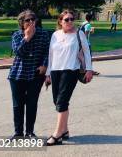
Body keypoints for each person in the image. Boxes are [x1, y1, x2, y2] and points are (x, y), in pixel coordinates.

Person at [45, 10, 93, 146]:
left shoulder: (79, 34)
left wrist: (89, 69)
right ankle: (65, 130)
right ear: (60, 21)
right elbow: (50, 55)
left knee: (62, 101)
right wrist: (48, 74)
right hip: (55, 70)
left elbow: (87, 52)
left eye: (72, 19)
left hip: (71, 70)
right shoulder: (55, 35)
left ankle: (57, 134)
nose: (70, 22)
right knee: (57, 101)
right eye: (67, 19)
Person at [8, 10, 51, 140]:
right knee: (18, 105)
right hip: (18, 74)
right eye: (27, 20)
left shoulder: (43, 34)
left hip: (36, 74)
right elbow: (18, 52)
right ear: (21, 23)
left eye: (33, 19)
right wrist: (27, 37)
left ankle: (30, 132)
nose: (31, 22)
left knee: (32, 104)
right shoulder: (17, 35)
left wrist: (44, 65)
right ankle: (18, 133)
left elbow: (49, 52)